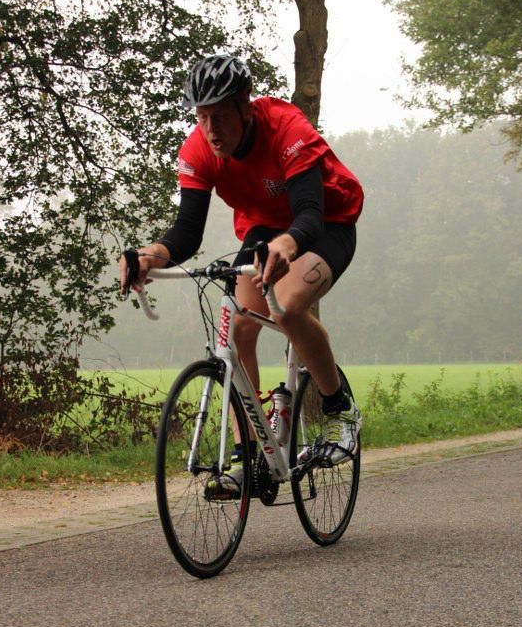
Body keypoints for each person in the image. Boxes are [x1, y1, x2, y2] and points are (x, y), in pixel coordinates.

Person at [120, 53, 363, 486]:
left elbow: (309, 214)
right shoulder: (198, 150)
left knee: (287, 307)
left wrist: (286, 245)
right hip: (265, 229)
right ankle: (248, 455)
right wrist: (148, 257)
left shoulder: (287, 129)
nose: (210, 129)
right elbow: (186, 233)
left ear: (244, 106)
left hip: (327, 223)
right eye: (201, 117)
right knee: (235, 330)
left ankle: (338, 408)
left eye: (220, 116)